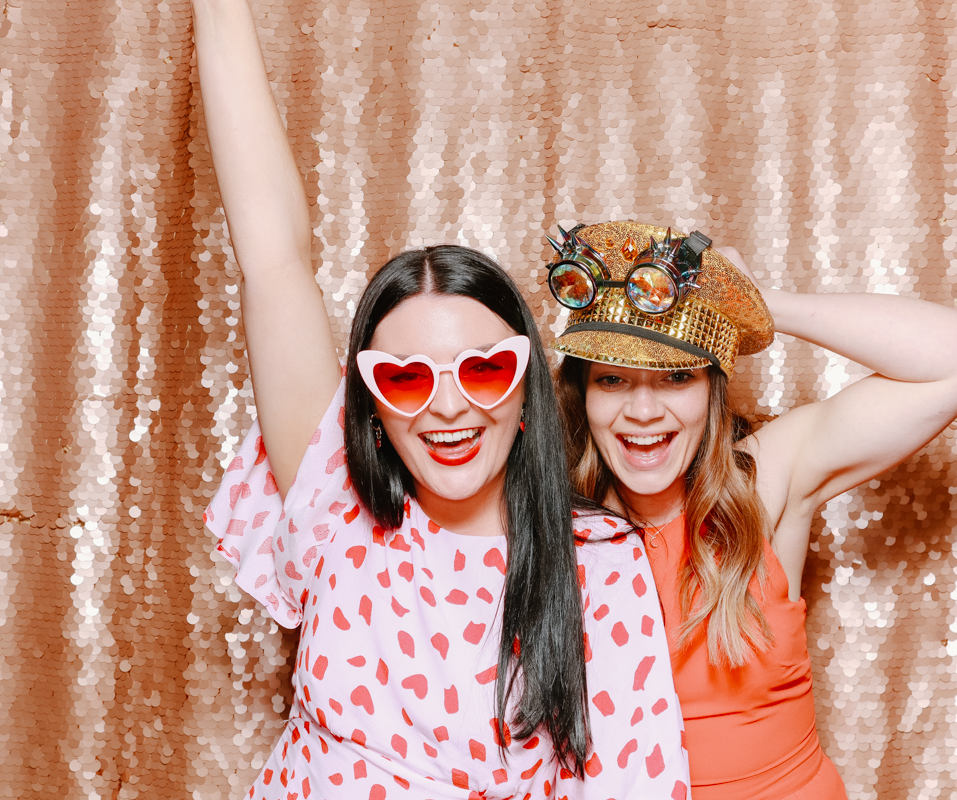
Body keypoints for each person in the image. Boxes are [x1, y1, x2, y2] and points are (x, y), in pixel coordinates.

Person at [192, 6, 691, 798]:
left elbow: (636, 782)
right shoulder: (336, 511)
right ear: (374, 412)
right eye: (407, 378)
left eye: (484, 370)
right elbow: (271, 252)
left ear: (525, 390)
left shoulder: (598, 560)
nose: (448, 406)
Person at [548, 221, 957, 799]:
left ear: (712, 390)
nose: (642, 410)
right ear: (582, 394)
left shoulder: (759, 479)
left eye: (676, 376)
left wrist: (755, 301)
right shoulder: (549, 521)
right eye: (613, 380)